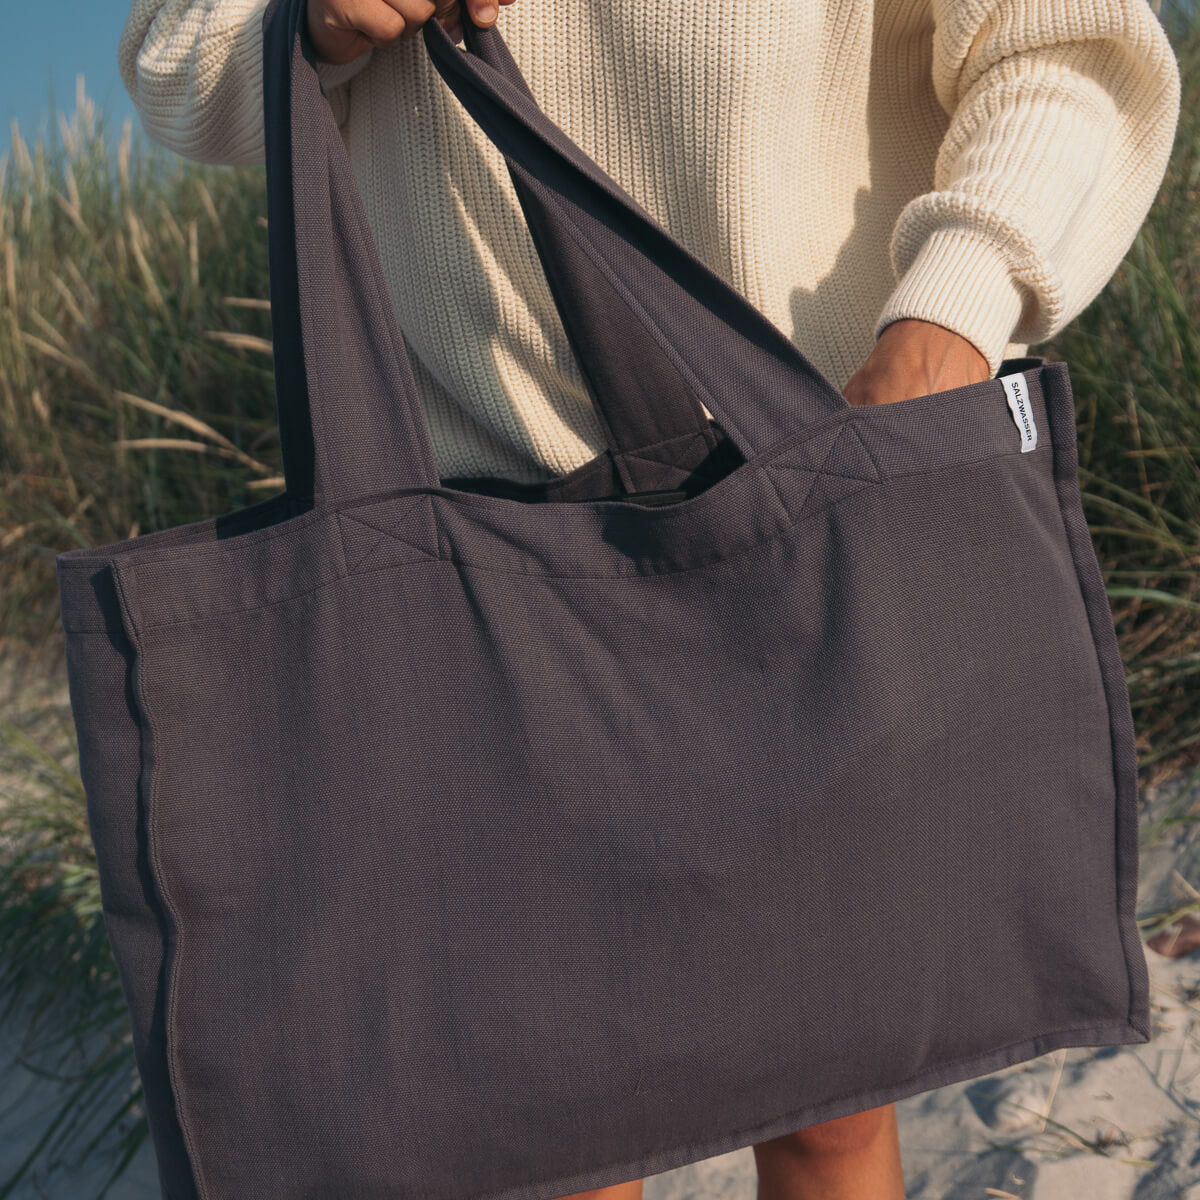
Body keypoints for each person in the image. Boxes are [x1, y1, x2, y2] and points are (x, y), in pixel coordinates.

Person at [118, 0, 1180, 1197]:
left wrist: (948, 321)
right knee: (557, 1139)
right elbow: (179, 65)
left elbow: (1068, 48)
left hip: (813, 502)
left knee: (832, 1098)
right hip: (480, 562)